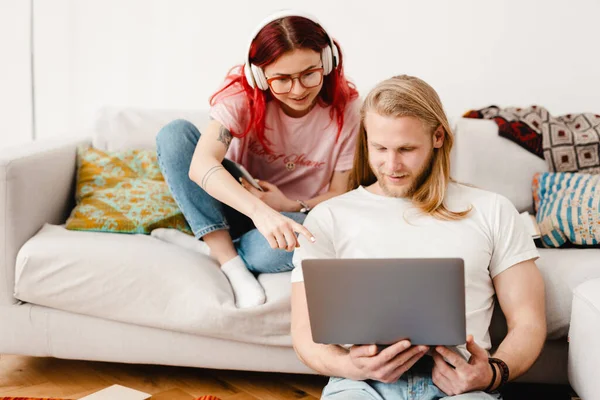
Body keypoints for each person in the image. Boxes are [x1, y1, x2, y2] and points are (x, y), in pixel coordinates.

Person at [290, 75, 546, 399]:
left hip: (459, 386)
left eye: (406, 149)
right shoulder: (328, 217)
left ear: (438, 136)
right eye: (380, 148)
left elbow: (528, 321)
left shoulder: (492, 210)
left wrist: (493, 373)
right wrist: (356, 368)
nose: (391, 165)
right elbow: (304, 337)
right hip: (361, 384)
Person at [155, 10, 360, 308]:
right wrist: (261, 213)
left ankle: (214, 246)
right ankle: (232, 265)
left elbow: (340, 193)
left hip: (291, 217)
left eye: (309, 74)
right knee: (174, 135)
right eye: (282, 79)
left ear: (327, 63)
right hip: (233, 204)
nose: (298, 89)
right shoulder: (243, 97)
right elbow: (201, 165)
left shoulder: (348, 110)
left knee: (309, 241)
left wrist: (286, 206)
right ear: (260, 76)